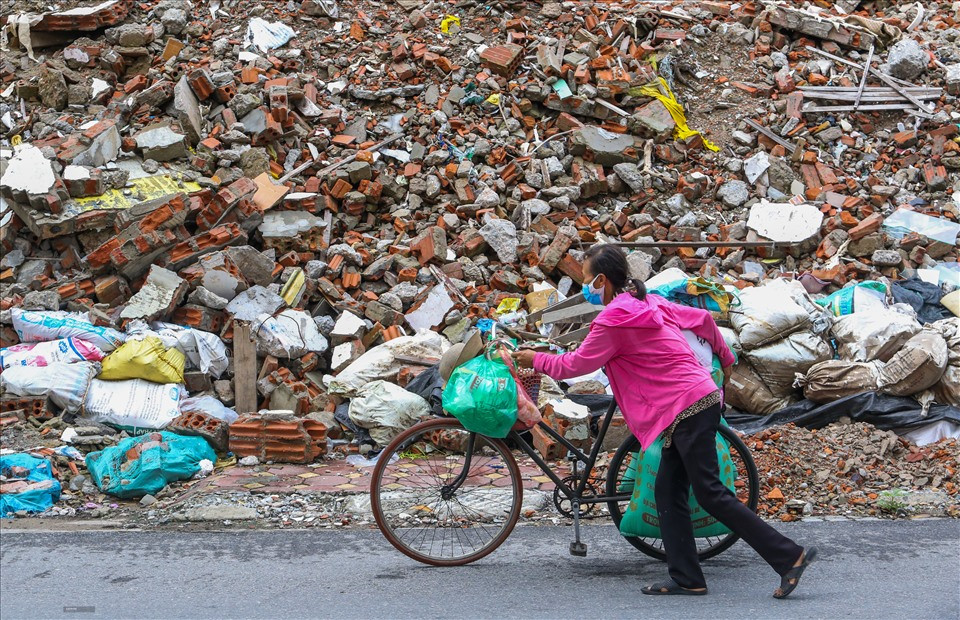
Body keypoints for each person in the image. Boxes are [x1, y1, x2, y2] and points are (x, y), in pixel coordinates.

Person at [512, 244, 816, 598]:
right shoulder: (645, 302)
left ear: (601, 280)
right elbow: (702, 320)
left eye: (585, 281)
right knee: (668, 491)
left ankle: (789, 556)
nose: (585, 288)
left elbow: (574, 365)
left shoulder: (614, 317)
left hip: (685, 405)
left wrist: (536, 359)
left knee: (710, 493)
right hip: (690, 403)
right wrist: (726, 357)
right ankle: (688, 577)